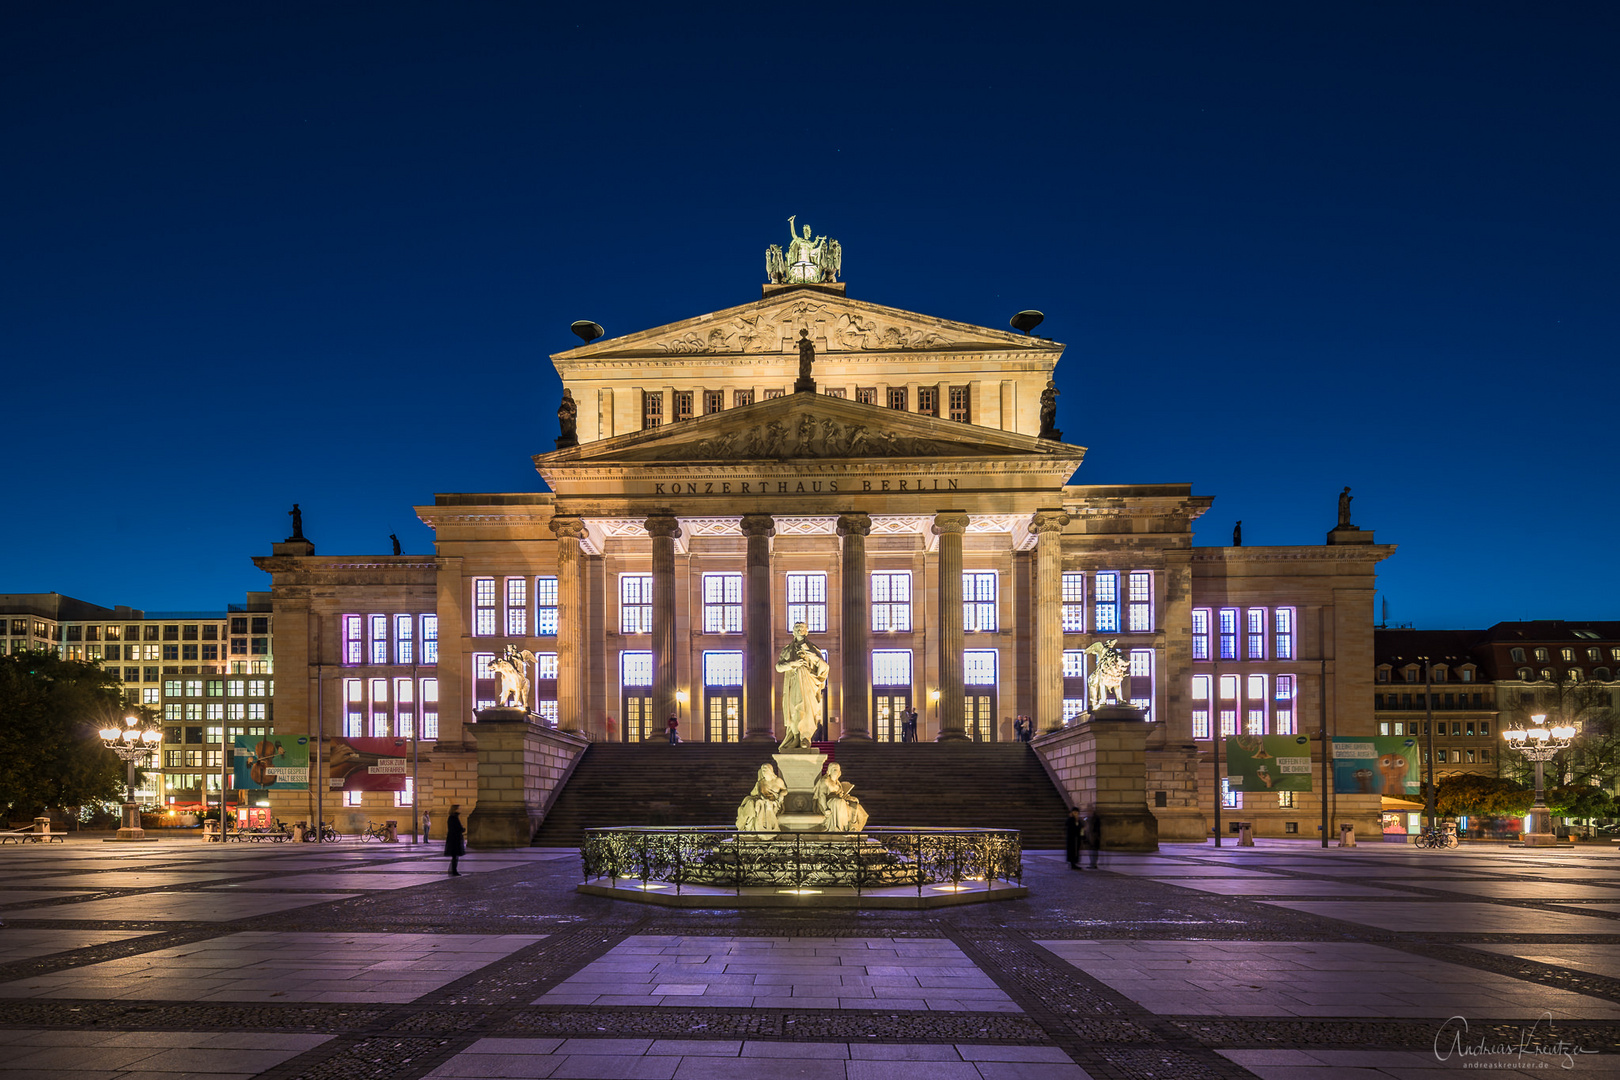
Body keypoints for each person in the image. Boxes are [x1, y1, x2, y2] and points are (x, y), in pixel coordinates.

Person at [814, 763, 868, 833]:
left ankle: (853, 828)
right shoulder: (825, 781)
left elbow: (841, 794)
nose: (836, 772)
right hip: (829, 803)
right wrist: (825, 809)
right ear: (829, 771)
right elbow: (821, 795)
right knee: (840, 802)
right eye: (834, 769)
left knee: (856, 806)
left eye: (838, 770)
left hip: (838, 800)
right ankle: (840, 829)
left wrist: (851, 798)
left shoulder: (838, 783)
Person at [736, 763, 787, 832]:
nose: (763, 771)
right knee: (751, 803)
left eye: (765, 769)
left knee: (762, 805)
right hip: (763, 800)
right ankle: (744, 823)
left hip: (774, 802)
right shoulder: (761, 782)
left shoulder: (778, 781)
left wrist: (781, 795)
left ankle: (746, 823)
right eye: (763, 770)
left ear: (770, 770)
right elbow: (759, 794)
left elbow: (785, 790)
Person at [444, 805, 466, 876]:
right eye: (458, 808)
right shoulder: (454, 818)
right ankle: (454, 871)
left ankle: (453, 870)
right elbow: (457, 828)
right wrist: (462, 829)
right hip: (455, 839)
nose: (460, 809)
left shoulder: (452, 817)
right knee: (455, 856)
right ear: (455, 810)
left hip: (453, 838)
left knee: (455, 856)